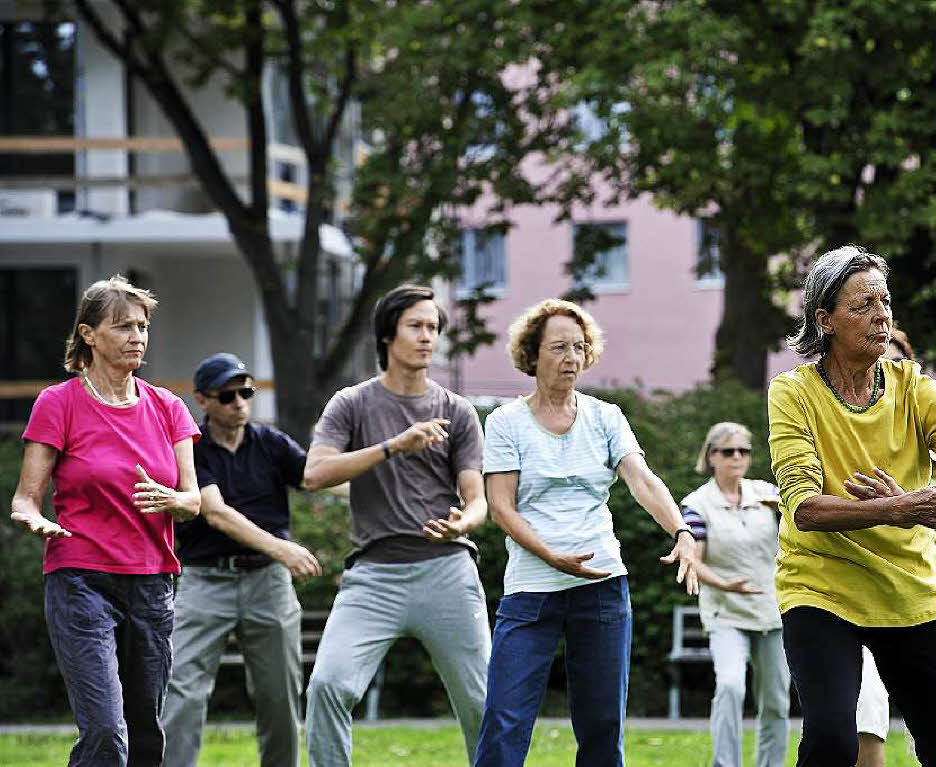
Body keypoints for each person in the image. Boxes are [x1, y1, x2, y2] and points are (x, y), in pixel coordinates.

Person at [768, 245, 936, 766]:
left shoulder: (915, 389)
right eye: (863, 305)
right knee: (833, 740)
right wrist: (900, 509)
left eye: (885, 302)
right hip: (823, 586)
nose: (882, 315)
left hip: (910, 590)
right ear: (825, 320)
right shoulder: (793, 393)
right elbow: (805, 509)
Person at [472, 298, 700, 767]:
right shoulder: (505, 422)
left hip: (601, 588)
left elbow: (642, 479)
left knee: (602, 726)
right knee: (504, 721)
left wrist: (681, 529)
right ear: (532, 355)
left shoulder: (605, 418)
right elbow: (500, 507)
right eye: (558, 347)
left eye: (579, 347)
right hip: (532, 589)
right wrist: (551, 555)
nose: (571, 358)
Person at [10, 275, 201, 766]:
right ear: (89, 335)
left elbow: (193, 500)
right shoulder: (58, 404)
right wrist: (35, 521)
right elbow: (25, 499)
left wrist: (172, 500)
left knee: (144, 738)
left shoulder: (169, 408)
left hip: (153, 584)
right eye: (123, 326)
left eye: (142, 326)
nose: (138, 336)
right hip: (81, 580)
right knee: (105, 732)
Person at [303, 285, 491, 767]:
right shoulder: (352, 404)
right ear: (389, 334)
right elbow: (315, 474)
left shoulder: (457, 411)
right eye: (416, 326)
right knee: (327, 685)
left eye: (433, 328)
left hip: (447, 570)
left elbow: (478, 502)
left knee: (485, 701)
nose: (428, 337)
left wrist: (460, 525)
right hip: (374, 576)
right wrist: (392, 446)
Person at [161, 353, 322, 767]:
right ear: (203, 400)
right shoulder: (191, 448)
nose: (239, 403)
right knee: (181, 690)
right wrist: (282, 548)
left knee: (281, 695)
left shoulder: (271, 443)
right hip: (205, 581)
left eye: (246, 392)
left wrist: (387, 461)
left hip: (267, 583)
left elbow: (320, 477)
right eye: (228, 395)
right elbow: (214, 512)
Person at [852, 328, 936, 767]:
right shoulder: (841, 434)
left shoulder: (929, 440)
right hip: (858, 589)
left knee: (934, 714)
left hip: (927, 588)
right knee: (866, 705)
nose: (885, 369)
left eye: (896, 361)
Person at [681, 422, 789, 767]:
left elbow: (802, 526)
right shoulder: (697, 504)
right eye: (728, 452)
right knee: (730, 686)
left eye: (743, 451)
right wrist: (726, 585)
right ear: (711, 456)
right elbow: (692, 562)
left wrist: (785, 510)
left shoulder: (766, 493)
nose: (737, 458)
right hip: (725, 611)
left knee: (776, 701)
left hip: (772, 610)